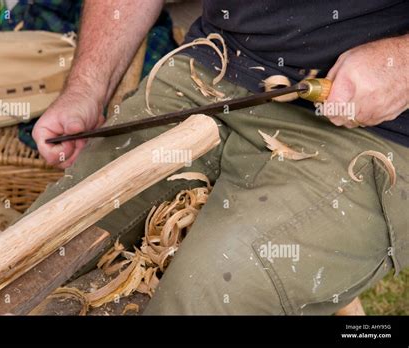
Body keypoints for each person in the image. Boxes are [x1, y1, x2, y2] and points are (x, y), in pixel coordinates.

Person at [28, 1, 409, 314]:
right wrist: (86, 89)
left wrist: (400, 65)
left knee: (206, 290)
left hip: (372, 129)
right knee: (37, 259)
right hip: (211, 65)